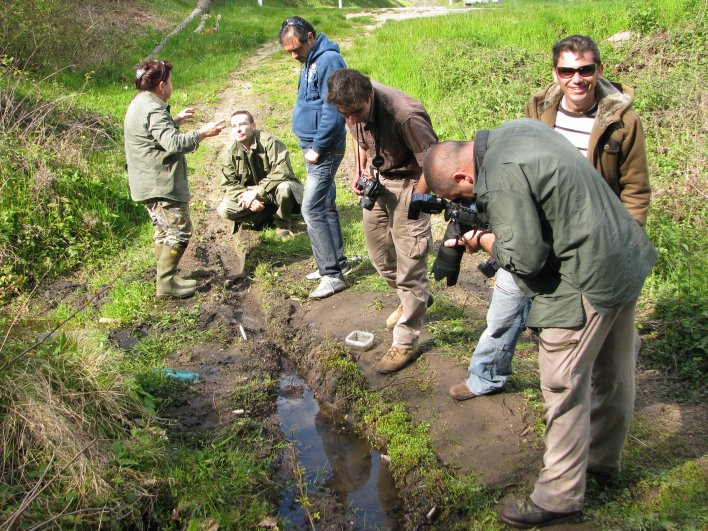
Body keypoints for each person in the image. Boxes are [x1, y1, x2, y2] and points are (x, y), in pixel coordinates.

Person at [423, 119, 657, 527]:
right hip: (623, 255)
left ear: (463, 174)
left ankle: (559, 497)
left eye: (460, 194)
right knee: (613, 367)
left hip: (589, 276)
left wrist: (484, 240)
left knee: (562, 383)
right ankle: (601, 460)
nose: (468, 199)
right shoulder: (516, 130)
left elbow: (527, 257)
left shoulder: (498, 177)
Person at [448, 34, 651, 402]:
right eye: (567, 70)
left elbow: (635, 190)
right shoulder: (540, 108)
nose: (577, 78)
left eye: (586, 69)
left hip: (589, 240)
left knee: (592, 330)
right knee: (505, 307)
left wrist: (622, 243)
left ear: (599, 70)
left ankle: (587, 394)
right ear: (555, 73)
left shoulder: (621, 121)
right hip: (532, 226)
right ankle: (486, 376)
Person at [327, 69, 437, 374]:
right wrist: (359, 170)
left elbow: (433, 162)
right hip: (376, 180)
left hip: (411, 182)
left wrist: (417, 200)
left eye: (357, 112)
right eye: (344, 114)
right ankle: (411, 298)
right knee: (380, 256)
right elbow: (358, 137)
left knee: (411, 263)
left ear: (370, 96)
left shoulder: (405, 114)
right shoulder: (351, 106)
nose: (350, 119)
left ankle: (405, 341)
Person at [124, 59, 224, 299]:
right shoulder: (154, 109)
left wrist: (175, 120)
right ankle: (166, 283)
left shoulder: (141, 102)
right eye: (169, 82)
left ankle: (167, 278)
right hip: (160, 182)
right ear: (160, 86)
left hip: (145, 182)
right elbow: (173, 143)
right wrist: (202, 133)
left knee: (162, 230)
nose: (171, 86)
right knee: (179, 231)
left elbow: (151, 134)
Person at [279, 16, 349, 299]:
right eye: (289, 52)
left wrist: (318, 146)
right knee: (326, 203)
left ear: (310, 36)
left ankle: (332, 275)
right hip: (312, 145)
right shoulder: (311, 60)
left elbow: (334, 109)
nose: (294, 56)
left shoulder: (329, 60)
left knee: (311, 209)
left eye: (297, 49)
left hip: (324, 148)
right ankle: (337, 261)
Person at [217, 110, 304, 237]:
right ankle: (265, 217)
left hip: (274, 191)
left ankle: (282, 222)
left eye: (242, 124)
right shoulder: (229, 152)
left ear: (253, 126)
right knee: (225, 209)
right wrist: (249, 200)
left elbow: (282, 170)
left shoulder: (269, 142)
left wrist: (257, 191)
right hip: (250, 195)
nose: (238, 130)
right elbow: (229, 184)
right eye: (234, 126)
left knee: (285, 188)